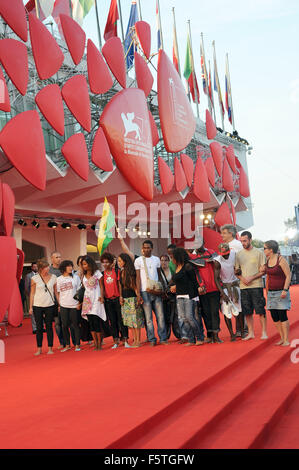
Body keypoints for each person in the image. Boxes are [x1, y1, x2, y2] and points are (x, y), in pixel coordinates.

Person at [235, 231, 267, 341]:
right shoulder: (238, 254)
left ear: (250, 240)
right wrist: (243, 279)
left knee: (260, 310)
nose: (243, 243)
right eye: (241, 241)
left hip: (257, 285)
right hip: (244, 287)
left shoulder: (259, 253)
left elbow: (264, 271)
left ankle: (264, 332)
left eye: (245, 241)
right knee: (247, 311)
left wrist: (251, 278)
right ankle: (251, 333)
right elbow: (236, 271)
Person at [135, 240, 168, 346]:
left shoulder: (156, 259)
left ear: (152, 248)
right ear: (142, 248)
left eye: (148, 247)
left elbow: (159, 275)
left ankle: (163, 338)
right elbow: (137, 278)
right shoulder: (138, 260)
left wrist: (163, 289)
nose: (146, 249)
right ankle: (152, 339)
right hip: (144, 291)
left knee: (161, 316)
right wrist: (138, 293)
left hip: (156, 291)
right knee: (148, 318)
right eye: (144, 247)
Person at [170, 248, 205, 346]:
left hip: (189, 295)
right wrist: (174, 287)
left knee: (190, 317)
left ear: (178, 256)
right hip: (179, 296)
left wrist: (197, 292)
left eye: (173, 257)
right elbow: (178, 281)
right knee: (183, 318)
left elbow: (194, 281)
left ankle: (200, 337)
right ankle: (191, 339)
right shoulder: (177, 267)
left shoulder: (188, 266)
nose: (172, 259)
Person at [189, 242, 222, 343]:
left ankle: (216, 335)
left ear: (203, 243)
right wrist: (200, 284)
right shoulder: (193, 256)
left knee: (215, 312)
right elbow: (195, 272)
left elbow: (219, 265)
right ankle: (210, 334)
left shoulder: (211, 252)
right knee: (206, 313)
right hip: (202, 289)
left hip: (214, 288)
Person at [262, 240, 291, 346]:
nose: (263, 250)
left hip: (281, 292)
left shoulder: (281, 259)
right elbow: (268, 275)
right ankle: (282, 338)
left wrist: (285, 289)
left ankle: (286, 339)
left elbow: (288, 275)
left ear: (270, 250)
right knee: (274, 316)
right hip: (271, 293)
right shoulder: (268, 259)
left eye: (265, 248)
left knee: (282, 315)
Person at [220, 224, 247, 336]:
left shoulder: (237, 245)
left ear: (231, 233)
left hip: (236, 280)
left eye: (224, 233)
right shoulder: (224, 245)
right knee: (231, 306)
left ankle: (243, 329)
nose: (222, 235)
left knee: (238, 305)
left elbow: (242, 260)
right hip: (227, 281)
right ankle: (238, 330)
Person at [100, 252, 130, 349]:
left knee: (121, 320)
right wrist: (102, 297)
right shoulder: (102, 274)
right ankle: (116, 340)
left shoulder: (117, 272)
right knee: (112, 321)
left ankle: (125, 339)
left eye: (107, 262)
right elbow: (102, 287)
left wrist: (121, 296)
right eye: (103, 263)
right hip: (108, 300)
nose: (105, 264)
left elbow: (119, 285)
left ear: (111, 262)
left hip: (117, 298)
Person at [81, 256, 111, 350]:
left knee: (96, 321)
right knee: (91, 323)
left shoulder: (97, 273)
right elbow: (84, 288)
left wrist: (102, 296)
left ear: (90, 263)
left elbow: (102, 286)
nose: (84, 266)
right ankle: (95, 343)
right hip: (87, 301)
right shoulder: (83, 275)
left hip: (96, 299)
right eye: (83, 264)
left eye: (85, 264)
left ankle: (99, 344)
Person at [214, 243, 243, 341]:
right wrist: (222, 293)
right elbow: (217, 278)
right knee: (227, 312)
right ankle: (232, 334)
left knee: (239, 310)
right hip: (225, 287)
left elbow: (240, 267)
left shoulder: (234, 254)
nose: (225, 255)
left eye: (227, 253)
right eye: (223, 254)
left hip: (235, 286)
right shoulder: (217, 261)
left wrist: (239, 271)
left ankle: (242, 332)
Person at [29, 258, 58, 355]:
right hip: (37, 305)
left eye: (48, 266)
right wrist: (30, 307)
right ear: (41, 268)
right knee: (39, 327)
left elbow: (55, 292)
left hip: (49, 305)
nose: (48, 268)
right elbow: (32, 294)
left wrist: (60, 303)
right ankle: (39, 348)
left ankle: (50, 348)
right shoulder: (35, 278)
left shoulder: (54, 277)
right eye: (46, 267)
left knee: (49, 326)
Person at [118, 253, 144, 348]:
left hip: (133, 298)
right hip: (125, 299)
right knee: (130, 321)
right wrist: (120, 296)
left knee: (136, 320)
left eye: (120, 261)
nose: (118, 262)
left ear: (125, 261)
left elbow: (134, 285)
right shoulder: (121, 272)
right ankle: (134, 340)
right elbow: (120, 285)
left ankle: (138, 340)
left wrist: (138, 296)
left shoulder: (131, 271)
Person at [56, 260, 82, 352]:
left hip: (74, 305)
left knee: (75, 325)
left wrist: (79, 303)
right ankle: (67, 345)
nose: (70, 268)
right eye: (68, 266)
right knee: (64, 325)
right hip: (63, 305)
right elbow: (58, 293)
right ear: (63, 268)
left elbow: (80, 291)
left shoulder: (76, 277)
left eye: (71, 266)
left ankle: (77, 344)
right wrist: (59, 304)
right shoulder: (59, 279)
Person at [159, 254, 181, 340]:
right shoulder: (158, 271)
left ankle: (178, 334)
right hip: (163, 297)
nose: (163, 262)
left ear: (168, 262)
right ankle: (166, 335)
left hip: (173, 296)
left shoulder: (172, 270)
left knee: (175, 315)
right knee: (165, 315)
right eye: (162, 260)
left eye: (165, 260)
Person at [49, 251, 65, 349]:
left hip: (66, 299)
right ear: (52, 259)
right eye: (56, 257)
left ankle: (70, 341)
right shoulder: (49, 271)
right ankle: (62, 342)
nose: (58, 259)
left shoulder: (64, 269)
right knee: (57, 323)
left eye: (59, 257)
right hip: (54, 301)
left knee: (68, 323)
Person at [25, 262, 38, 333]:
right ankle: (35, 328)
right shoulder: (28, 276)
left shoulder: (40, 275)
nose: (36, 268)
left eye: (37, 267)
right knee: (33, 313)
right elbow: (26, 287)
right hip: (32, 296)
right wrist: (30, 295)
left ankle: (41, 327)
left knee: (40, 312)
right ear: (32, 268)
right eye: (34, 267)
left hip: (40, 296)